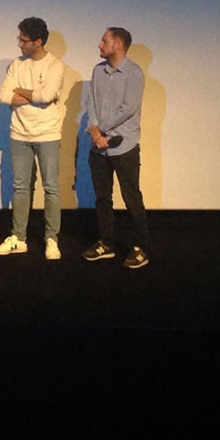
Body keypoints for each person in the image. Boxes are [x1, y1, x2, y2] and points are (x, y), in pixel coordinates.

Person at [0, 16, 66, 259]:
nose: (20, 44)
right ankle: (19, 238)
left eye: (24, 40)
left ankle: (51, 239)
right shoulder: (17, 64)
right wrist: (33, 95)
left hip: (47, 134)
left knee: (50, 187)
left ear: (38, 41)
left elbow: (47, 95)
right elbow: (4, 95)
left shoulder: (55, 65)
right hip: (19, 134)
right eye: (20, 39)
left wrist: (21, 92)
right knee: (20, 186)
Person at [81, 27, 149, 269]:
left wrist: (100, 129)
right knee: (102, 197)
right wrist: (95, 130)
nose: (100, 45)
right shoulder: (98, 71)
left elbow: (128, 108)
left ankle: (139, 247)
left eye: (104, 41)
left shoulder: (134, 73)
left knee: (131, 197)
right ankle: (106, 243)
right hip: (99, 147)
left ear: (117, 45)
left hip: (124, 146)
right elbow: (91, 102)